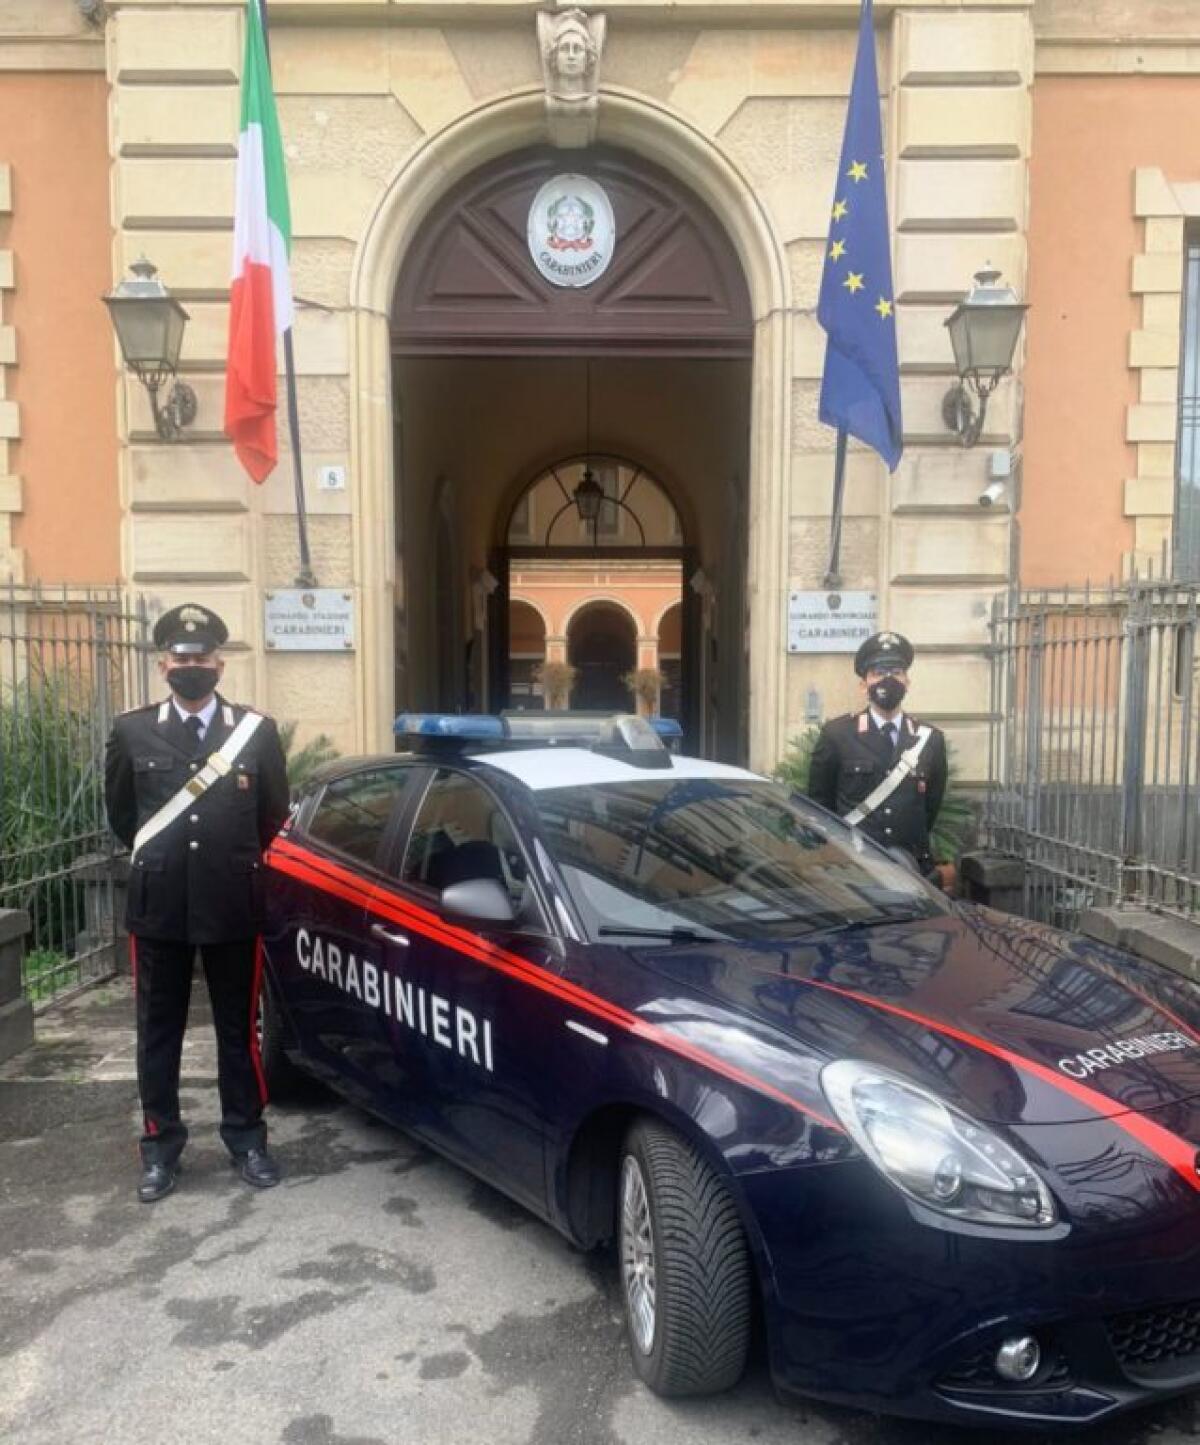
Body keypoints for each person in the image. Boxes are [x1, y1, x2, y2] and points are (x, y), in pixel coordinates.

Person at [104, 604, 291, 1203]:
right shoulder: (131, 731)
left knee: (239, 1031)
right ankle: (160, 1148)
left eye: (202, 657)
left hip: (233, 902)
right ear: (164, 664)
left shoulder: (255, 732)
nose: (192, 666)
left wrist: (227, 860)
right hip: (160, 908)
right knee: (158, 1033)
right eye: (182, 658)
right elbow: (123, 817)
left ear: (220, 663)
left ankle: (247, 1139)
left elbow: (272, 815)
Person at [806, 631, 948, 880]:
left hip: (911, 868)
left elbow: (930, 809)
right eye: (879, 673)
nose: (888, 679)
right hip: (854, 868)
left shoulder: (930, 739)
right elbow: (819, 805)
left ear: (907, 682)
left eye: (896, 672)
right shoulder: (837, 734)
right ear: (864, 685)